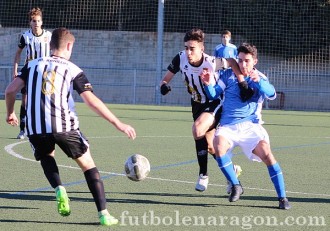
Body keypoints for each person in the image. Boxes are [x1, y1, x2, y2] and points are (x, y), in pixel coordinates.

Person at [5, 27, 137, 226]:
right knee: (88, 165)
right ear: (69, 45)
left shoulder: (31, 65)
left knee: (47, 156)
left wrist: (10, 113)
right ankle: (103, 214)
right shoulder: (73, 69)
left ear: (50, 46)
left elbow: (10, 90)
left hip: (36, 129)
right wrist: (118, 123)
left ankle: (59, 188)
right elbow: (91, 101)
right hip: (65, 127)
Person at [159, 28, 253, 193]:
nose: (188, 52)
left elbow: (231, 61)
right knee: (210, 147)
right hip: (196, 104)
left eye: (192, 48)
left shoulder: (210, 62)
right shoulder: (180, 58)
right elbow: (165, 79)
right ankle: (232, 172)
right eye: (186, 47)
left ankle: (203, 175)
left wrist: (242, 82)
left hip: (214, 102)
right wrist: (164, 87)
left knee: (197, 129)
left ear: (201, 48)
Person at [201, 43, 291, 209]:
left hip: (251, 127)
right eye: (240, 60)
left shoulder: (260, 78)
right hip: (228, 126)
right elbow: (214, 94)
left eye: (247, 61)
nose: (243, 64)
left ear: (255, 61)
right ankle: (236, 185)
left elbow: (272, 93)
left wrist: (259, 83)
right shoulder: (228, 75)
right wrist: (207, 84)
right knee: (218, 146)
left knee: (267, 154)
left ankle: (282, 198)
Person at [13, 7, 52, 139]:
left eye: (38, 21)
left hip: (44, 73)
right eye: (34, 21)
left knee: (45, 99)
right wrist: (15, 71)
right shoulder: (25, 36)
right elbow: (18, 54)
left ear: (42, 22)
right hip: (28, 71)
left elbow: (55, 52)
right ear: (30, 22)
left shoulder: (48, 36)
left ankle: (45, 128)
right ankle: (22, 130)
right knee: (25, 100)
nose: (36, 24)